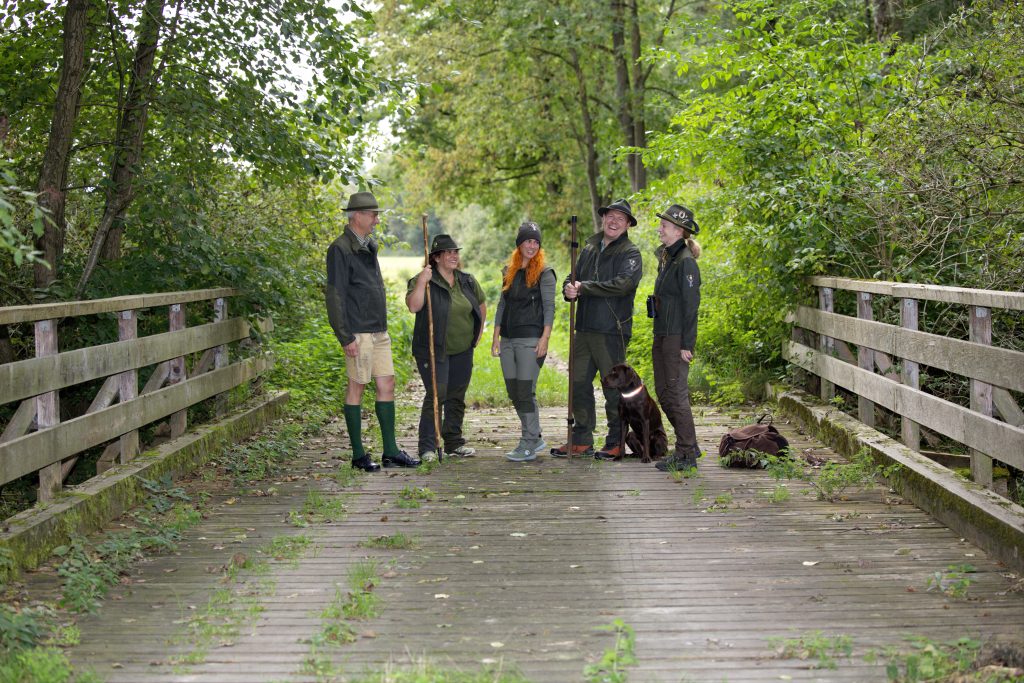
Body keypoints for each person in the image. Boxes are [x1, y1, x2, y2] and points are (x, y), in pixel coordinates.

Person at [325, 191, 420, 472]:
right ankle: (358, 455)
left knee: (386, 384)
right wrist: (345, 336)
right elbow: (335, 295)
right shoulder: (340, 248)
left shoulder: (370, 245)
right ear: (356, 216)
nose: (377, 220)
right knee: (357, 386)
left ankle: (390, 451)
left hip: (379, 329)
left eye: (377, 215)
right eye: (373, 214)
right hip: (357, 331)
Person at [553, 199, 643, 459]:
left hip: (612, 332)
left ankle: (616, 440)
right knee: (578, 384)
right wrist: (569, 289)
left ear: (627, 225)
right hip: (584, 329)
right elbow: (574, 277)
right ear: (603, 219)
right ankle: (581, 439)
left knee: (613, 388)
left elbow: (623, 284)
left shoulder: (630, 253)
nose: (613, 222)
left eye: (620, 218)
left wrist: (584, 287)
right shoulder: (590, 248)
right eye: (610, 216)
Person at [407, 234, 487, 461]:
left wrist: (477, 335)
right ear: (436, 257)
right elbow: (414, 306)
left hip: (462, 350)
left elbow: (481, 306)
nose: (454, 256)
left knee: (456, 396)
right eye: (449, 252)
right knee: (436, 395)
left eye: (456, 252)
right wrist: (423, 281)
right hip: (433, 350)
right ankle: (427, 447)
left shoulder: (467, 280)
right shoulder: (423, 280)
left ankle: (453, 442)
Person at [490, 222, 557, 462]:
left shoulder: (545, 273)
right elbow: (502, 304)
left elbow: (550, 307)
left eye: (536, 242)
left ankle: (528, 442)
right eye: (528, 241)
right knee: (513, 391)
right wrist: (495, 336)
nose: (532, 245)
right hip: (507, 338)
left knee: (525, 391)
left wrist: (545, 338)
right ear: (520, 243)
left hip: (531, 339)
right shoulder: (509, 270)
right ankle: (536, 437)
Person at [649, 204, 703, 471]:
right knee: (663, 391)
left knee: (676, 393)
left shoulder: (686, 262)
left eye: (665, 226)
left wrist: (686, 344)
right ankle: (689, 444)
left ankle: (685, 454)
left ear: (679, 231)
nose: (660, 229)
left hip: (675, 337)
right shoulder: (667, 258)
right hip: (661, 333)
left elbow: (691, 305)